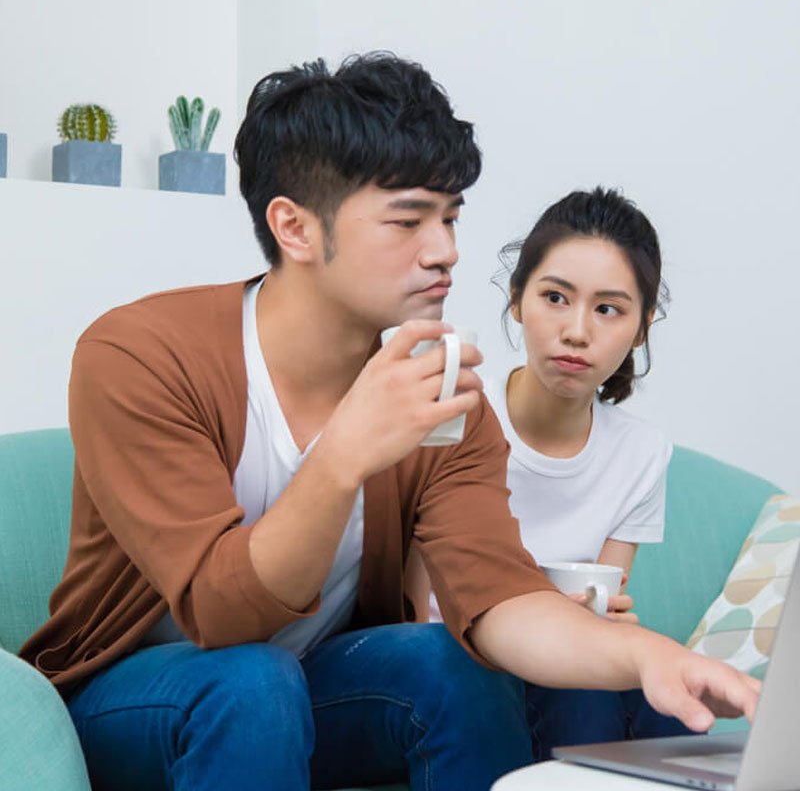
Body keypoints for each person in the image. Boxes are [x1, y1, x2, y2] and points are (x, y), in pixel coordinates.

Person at [20, 54, 758, 791]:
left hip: (317, 684)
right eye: (408, 220)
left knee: (451, 663)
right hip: (135, 701)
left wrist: (644, 657)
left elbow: (498, 597)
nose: (445, 251)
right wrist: (344, 454)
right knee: (250, 679)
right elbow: (222, 613)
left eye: (450, 218)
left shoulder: (440, 392)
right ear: (295, 228)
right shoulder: (141, 355)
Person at [411, 186, 697, 759]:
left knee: (672, 703)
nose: (577, 331)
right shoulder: (454, 409)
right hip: (460, 658)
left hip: (569, 662)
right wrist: (546, 622)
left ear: (642, 328)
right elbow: (421, 614)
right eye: (555, 297)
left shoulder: (642, 453)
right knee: (582, 693)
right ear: (517, 300)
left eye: (609, 309)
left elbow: (604, 607)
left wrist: (604, 621)